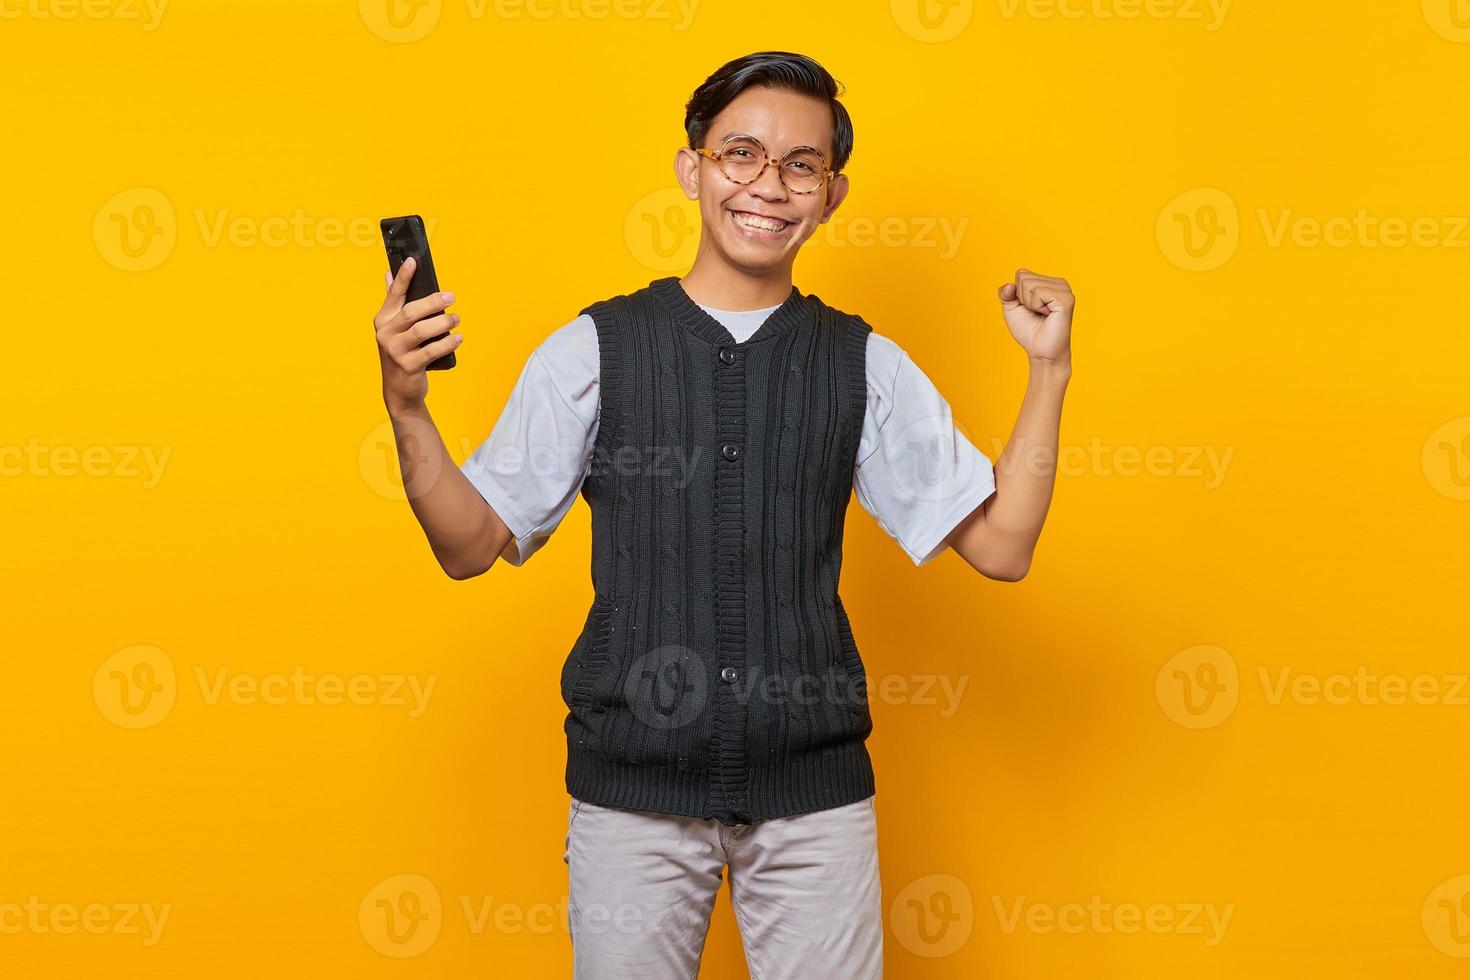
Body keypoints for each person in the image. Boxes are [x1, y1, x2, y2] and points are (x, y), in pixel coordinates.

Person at [370, 50, 1075, 980]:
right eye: (740, 153)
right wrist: (408, 407)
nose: (767, 186)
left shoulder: (863, 363)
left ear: (832, 194)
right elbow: (467, 546)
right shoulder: (594, 349)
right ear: (692, 167)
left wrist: (1048, 370)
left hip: (816, 804)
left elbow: (1003, 544)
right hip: (631, 799)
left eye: (800, 166)